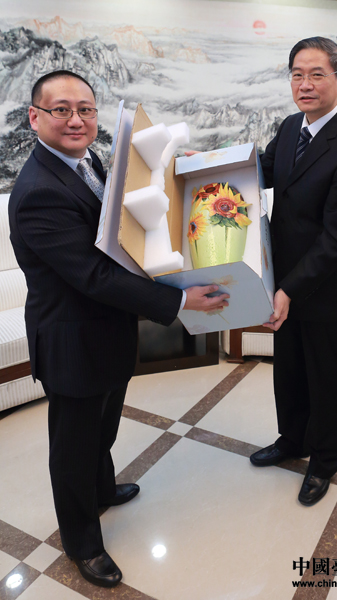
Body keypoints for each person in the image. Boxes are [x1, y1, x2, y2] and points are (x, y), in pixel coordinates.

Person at [8, 70, 229, 588]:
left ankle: (103, 491)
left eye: (85, 109)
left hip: (107, 330)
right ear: (35, 117)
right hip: (72, 340)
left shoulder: (89, 162)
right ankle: (82, 543)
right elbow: (93, 275)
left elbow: (119, 226)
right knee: (74, 447)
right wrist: (178, 301)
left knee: (103, 427)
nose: (76, 120)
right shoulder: (39, 190)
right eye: (61, 110)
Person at [249, 37, 337, 506]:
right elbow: (262, 170)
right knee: (289, 371)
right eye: (297, 75)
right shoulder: (290, 127)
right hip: (284, 278)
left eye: (316, 74)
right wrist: (207, 170)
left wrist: (289, 290)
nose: (305, 84)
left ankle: (323, 462)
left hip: (322, 288)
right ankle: (292, 440)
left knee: (325, 379)